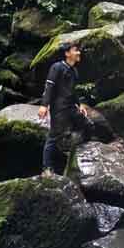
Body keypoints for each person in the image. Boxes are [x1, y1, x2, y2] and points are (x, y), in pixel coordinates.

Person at [38, 42, 90, 177]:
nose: (79, 53)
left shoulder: (74, 71)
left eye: (78, 50)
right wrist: (44, 105)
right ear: (67, 53)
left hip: (71, 107)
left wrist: (80, 104)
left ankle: (74, 154)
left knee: (87, 124)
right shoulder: (57, 67)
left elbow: (74, 91)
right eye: (75, 50)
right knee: (53, 137)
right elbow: (49, 86)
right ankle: (47, 168)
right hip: (59, 108)